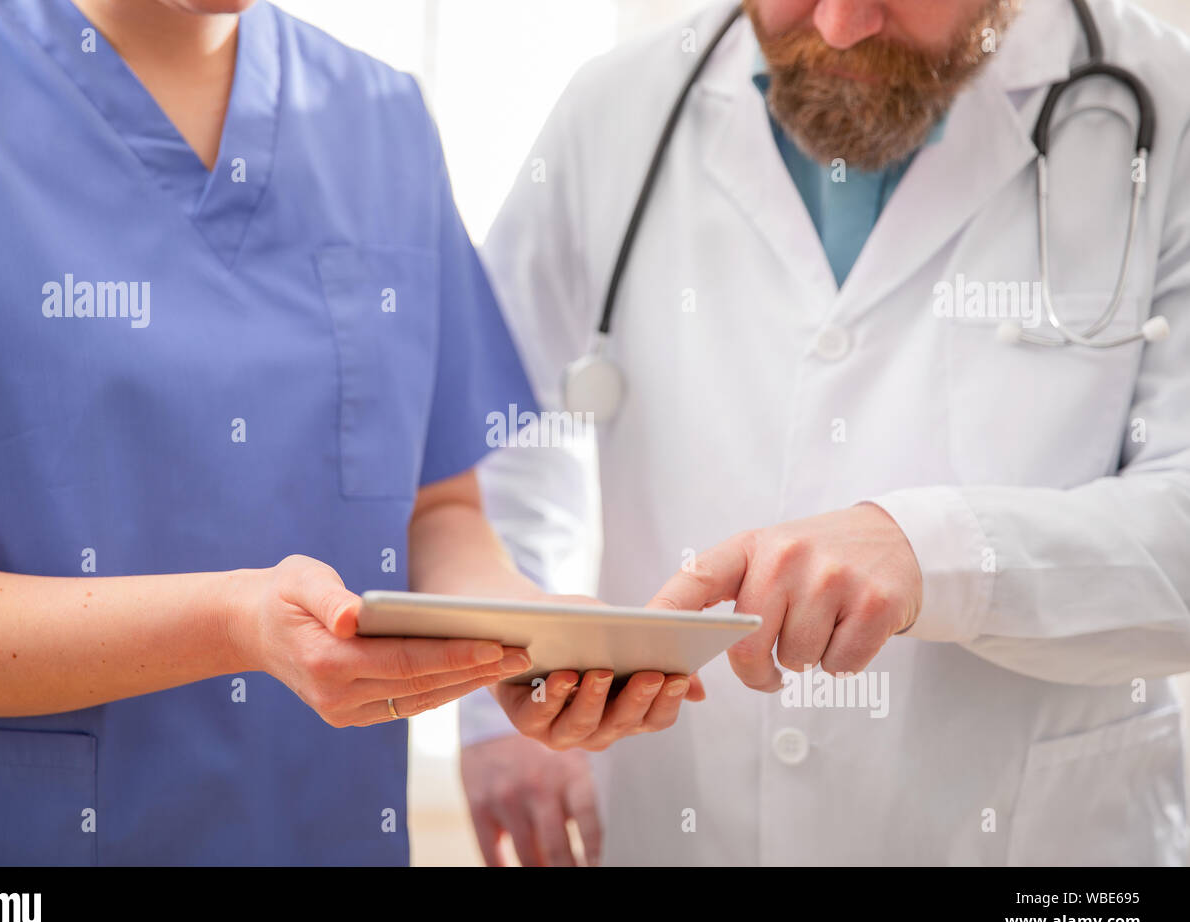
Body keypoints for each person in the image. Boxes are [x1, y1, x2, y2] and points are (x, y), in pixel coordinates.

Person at [0, 0, 688, 866]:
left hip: (328, 829)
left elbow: (436, 510)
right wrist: (234, 624)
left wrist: (530, 638)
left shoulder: (380, 118)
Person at [461, 0, 1190, 865]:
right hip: (683, 816)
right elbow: (488, 431)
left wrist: (933, 552)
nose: (839, 26)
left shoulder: (1167, 108)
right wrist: (502, 689)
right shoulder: (618, 106)